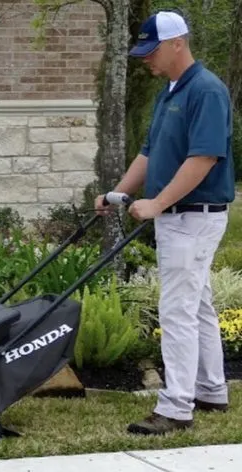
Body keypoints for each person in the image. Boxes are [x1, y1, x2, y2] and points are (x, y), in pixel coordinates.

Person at [97, 11, 235, 435]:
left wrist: (157, 203)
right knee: (198, 306)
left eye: (150, 51)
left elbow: (204, 158)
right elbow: (149, 153)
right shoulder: (169, 92)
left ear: (178, 43)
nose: (145, 61)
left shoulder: (207, 91)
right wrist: (117, 193)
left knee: (176, 311)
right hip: (179, 217)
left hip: (193, 217)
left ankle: (176, 407)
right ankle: (211, 389)